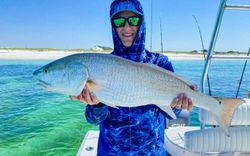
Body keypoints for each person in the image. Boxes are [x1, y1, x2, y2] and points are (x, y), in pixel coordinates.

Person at [70, 0, 196, 155]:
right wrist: (96, 105)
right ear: (113, 26)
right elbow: (93, 119)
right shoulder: (102, 65)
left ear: (141, 23)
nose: (127, 27)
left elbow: (171, 114)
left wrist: (179, 105)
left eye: (133, 20)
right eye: (119, 21)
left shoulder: (160, 63)